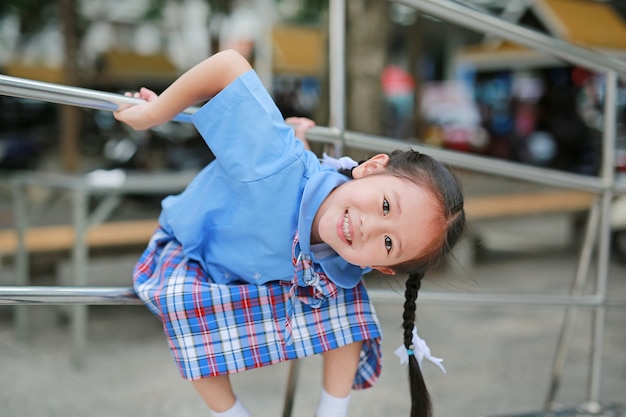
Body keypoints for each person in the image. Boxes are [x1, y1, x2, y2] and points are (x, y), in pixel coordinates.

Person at [114, 49, 466, 417]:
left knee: (349, 301)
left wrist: (300, 141)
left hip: (259, 271)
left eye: (389, 243)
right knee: (179, 301)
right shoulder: (277, 161)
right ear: (372, 167)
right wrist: (156, 113)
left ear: (383, 268)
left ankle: (332, 412)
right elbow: (228, 66)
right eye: (385, 206)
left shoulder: (352, 260)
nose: (370, 228)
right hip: (194, 248)